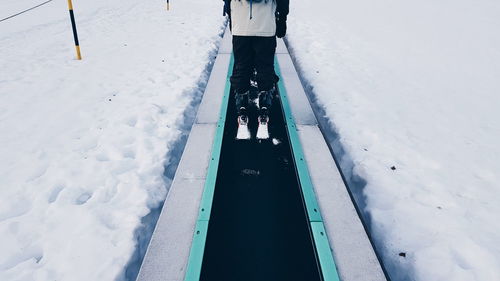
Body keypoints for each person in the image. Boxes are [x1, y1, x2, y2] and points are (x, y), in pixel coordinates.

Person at [223, 0, 289, 139]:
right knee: (265, 67)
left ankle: (242, 108)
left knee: (241, 66)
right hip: (266, 26)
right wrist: (282, 19)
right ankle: (264, 108)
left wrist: (231, 17)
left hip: (240, 26)